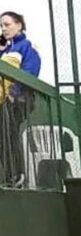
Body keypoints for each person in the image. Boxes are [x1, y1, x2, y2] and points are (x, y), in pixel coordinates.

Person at [0, 11, 41, 188]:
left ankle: (16, 175)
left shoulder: (26, 48)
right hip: (4, 100)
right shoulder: (6, 50)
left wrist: (13, 93)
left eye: (7, 24)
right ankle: (10, 176)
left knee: (9, 134)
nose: (3, 29)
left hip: (17, 100)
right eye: (1, 26)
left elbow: (29, 73)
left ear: (19, 25)